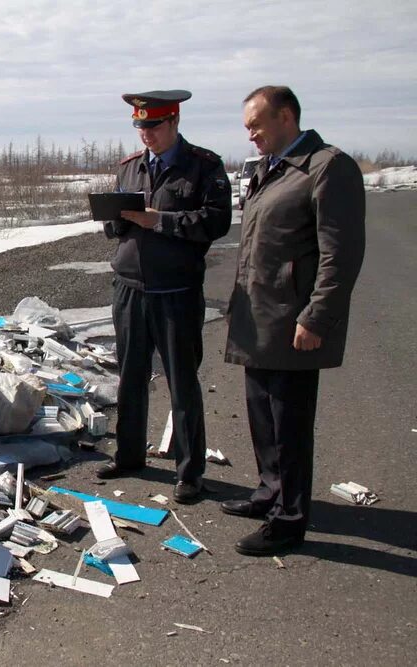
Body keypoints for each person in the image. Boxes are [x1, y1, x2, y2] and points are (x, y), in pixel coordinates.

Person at [223, 85, 365, 555]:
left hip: (292, 322)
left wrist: (317, 316)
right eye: (247, 128)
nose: (251, 136)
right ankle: (269, 494)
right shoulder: (271, 170)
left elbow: (340, 255)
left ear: (286, 116)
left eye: (256, 125)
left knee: (289, 427)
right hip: (259, 318)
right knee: (263, 419)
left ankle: (289, 520)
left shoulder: (327, 167)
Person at [98, 90, 232, 504]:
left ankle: (190, 472)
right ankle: (130, 455)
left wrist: (160, 221)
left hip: (176, 291)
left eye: (152, 126)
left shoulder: (203, 166)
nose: (145, 135)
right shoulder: (131, 168)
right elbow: (113, 228)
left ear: (173, 122)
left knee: (182, 382)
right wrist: (115, 220)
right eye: (139, 127)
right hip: (130, 289)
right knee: (131, 377)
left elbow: (216, 221)